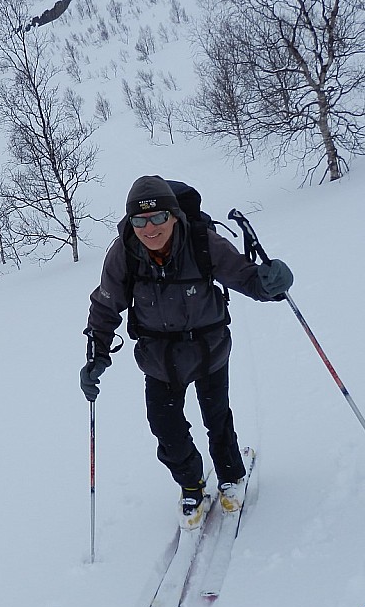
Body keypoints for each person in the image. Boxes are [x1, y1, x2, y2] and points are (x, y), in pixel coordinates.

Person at [81, 175, 293, 530]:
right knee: (165, 427)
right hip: (158, 357)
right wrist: (96, 356)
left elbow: (245, 277)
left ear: (174, 216)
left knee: (217, 417)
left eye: (158, 218)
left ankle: (230, 475)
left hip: (208, 349)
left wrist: (271, 284)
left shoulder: (202, 243)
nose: (149, 228)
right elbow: (105, 307)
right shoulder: (124, 255)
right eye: (139, 220)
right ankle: (191, 484)